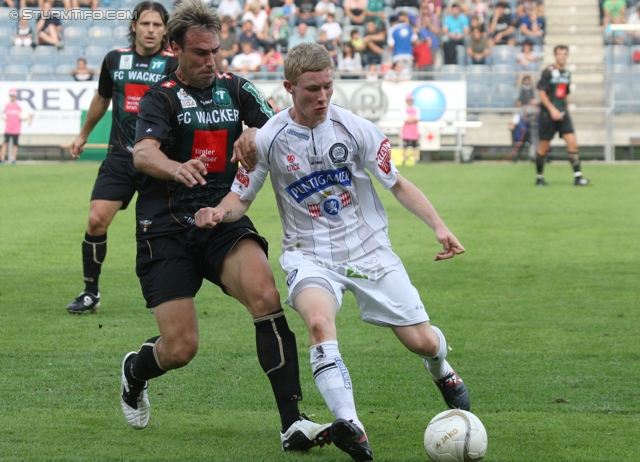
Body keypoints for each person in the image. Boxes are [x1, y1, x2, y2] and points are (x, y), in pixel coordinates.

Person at [194, 42, 471, 462]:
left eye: (327, 87)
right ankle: (352, 428)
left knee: (422, 342)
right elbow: (240, 198)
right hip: (310, 255)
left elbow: (396, 183)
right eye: (311, 90)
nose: (322, 97)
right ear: (290, 87)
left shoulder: (356, 129)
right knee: (320, 326)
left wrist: (439, 226)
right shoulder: (268, 139)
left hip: (368, 251)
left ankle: (442, 368)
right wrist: (217, 212)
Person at [123, 0, 332, 452]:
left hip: (221, 217)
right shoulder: (160, 97)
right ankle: (135, 371)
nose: (210, 61)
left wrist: (256, 134)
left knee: (266, 296)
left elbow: (280, 124)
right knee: (180, 349)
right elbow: (142, 153)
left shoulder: (236, 88)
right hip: (164, 226)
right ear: (175, 48)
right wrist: (176, 167)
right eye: (200, 53)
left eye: (215, 51)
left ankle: (292, 422)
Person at [64, 2, 179, 314]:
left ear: (166, 29)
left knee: (157, 230)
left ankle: (169, 295)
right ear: (134, 26)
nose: (151, 30)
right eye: (145, 24)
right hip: (119, 157)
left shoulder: (174, 63)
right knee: (96, 220)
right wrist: (84, 134)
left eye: (157, 25)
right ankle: (90, 291)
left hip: (157, 160)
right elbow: (102, 98)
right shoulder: (114, 59)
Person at [535, 45, 591, 187]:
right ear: (555, 55)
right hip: (548, 115)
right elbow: (541, 93)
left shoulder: (566, 74)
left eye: (564, 54)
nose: (562, 56)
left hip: (563, 114)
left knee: (573, 144)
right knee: (544, 147)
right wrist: (552, 110)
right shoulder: (548, 72)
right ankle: (539, 177)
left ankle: (578, 177)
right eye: (560, 54)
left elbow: (564, 94)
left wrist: (567, 111)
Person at [1, 89, 32, 165]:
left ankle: (13, 159)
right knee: (5, 143)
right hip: (8, 128)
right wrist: (3, 118)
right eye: (11, 95)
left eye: (14, 95)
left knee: (15, 144)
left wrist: (30, 120)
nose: (12, 97)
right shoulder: (6, 105)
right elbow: (2, 114)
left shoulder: (19, 105)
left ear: (16, 96)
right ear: (10, 96)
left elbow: (29, 113)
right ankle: (2, 159)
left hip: (16, 129)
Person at [402, 93, 420, 164]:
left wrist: (410, 119)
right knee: (405, 145)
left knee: (414, 144)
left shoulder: (416, 108)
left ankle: (416, 158)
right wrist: (413, 119)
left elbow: (418, 118)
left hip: (414, 129)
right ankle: (404, 158)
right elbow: (405, 119)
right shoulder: (404, 108)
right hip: (407, 129)